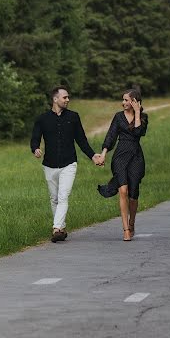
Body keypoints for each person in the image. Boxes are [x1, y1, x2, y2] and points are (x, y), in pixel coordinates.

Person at [31, 86, 103, 242]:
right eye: (65, 97)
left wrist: (92, 156)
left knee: (63, 196)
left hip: (69, 163)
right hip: (49, 164)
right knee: (54, 198)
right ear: (55, 99)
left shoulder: (73, 117)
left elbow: (81, 140)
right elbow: (35, 138)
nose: (68, 100)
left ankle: (56, 228)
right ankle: (62, 228)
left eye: (68, 97)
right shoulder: (42, 119)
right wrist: (35, 149)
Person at [97, 88, 149, 241]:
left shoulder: (144, 117)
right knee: (123, 191)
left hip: (135, 157)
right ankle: (125, 228)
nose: (123, 103)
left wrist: (137, 113)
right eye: (123, 100)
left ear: (135, 101)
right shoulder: (118, 117)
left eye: (126, 100)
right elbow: (111, 135)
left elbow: (139, 133)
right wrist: (104, 154)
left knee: (133, 194)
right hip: (120, 156)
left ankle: (132, 223)